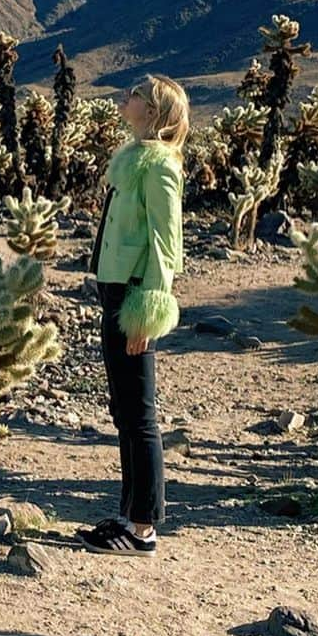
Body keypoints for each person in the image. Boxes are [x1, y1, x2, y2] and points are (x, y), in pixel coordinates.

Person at [78, 75, 188, 556]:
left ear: (155, 110)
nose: (127, 96)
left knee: (140, 412)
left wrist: (149, 311)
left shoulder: (160, 167)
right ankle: (128, 514)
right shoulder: (131, 162)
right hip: (117, 291)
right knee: (123, 409)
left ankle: (143, 527)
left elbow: (167, 245)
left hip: (135, 297)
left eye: (137, 93)